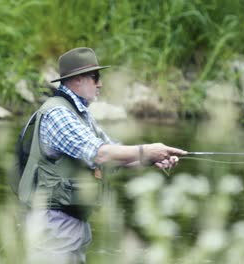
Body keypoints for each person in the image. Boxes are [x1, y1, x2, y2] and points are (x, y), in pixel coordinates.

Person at [18, 47, 186, 264]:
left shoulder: (80, 114)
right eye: (95, 77)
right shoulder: (58, 114)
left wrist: (152, 158)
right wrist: (147, 149)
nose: (100, 84)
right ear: (78, 80)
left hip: (70, 223)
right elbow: (100, 154)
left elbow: (113, 152)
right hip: (53, 226)